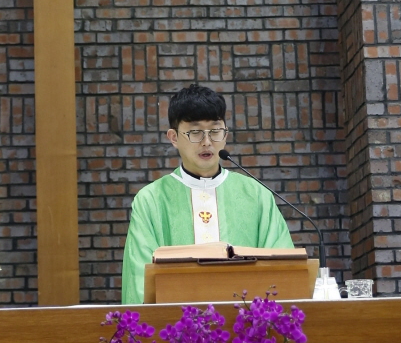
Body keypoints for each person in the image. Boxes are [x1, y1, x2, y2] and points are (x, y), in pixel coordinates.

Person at [121, 83, 295, 305]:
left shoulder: (257, 195)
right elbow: (139, 281)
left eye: (215, 131)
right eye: (195, 132)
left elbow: (282, 269)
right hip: (177, 332)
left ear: (225, 134)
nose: (207, 141)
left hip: (247, 330)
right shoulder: (151, 200)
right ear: (173, 137)